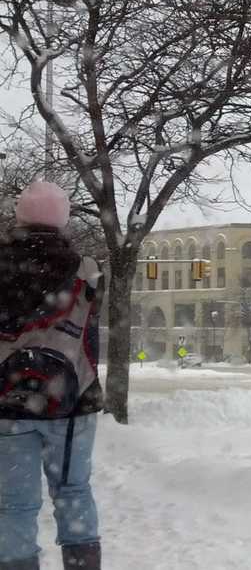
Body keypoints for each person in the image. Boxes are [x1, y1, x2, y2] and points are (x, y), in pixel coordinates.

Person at [0, 182, 103, 570]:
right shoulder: (86, 270)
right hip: (72, 401)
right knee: (73, 491)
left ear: (20, 217)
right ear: (63, 219)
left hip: (8, 402)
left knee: (13, 504)